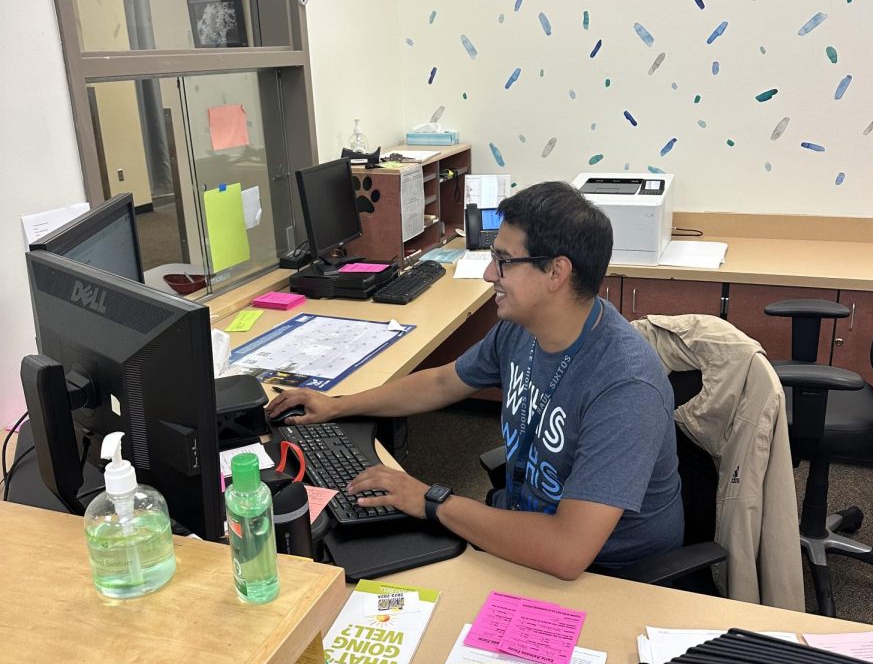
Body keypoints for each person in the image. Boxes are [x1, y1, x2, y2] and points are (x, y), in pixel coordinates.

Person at [266, 181, 683, 579]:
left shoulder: (626, 388)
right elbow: (444, 383)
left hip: (605, 576)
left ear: (556, 272)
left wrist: (431, 500)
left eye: (503, 260)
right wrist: (338, 404)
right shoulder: (523, 327)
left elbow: (566, 551)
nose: (488, 274)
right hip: (523, 529)